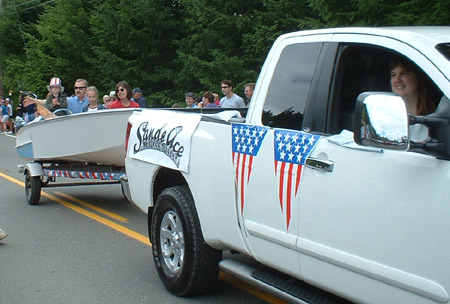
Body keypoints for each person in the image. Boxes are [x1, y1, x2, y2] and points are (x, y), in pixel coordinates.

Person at [390, 57, 438, 142]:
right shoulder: (386, 116)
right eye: (393, 75)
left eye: (404, 74)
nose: (397, 80)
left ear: (418, 78)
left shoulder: (436, 118)